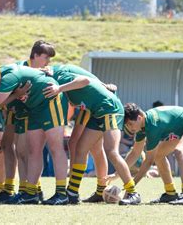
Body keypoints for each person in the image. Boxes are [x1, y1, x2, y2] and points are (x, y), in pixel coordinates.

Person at [0, 64, 69, 205]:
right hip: (32, 107)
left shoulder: (7, 78)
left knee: (55, 147)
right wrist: (15, 95)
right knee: (32, 151)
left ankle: (61, 193)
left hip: (48, 100)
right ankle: (30, 193)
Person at [42, 69, 141, 205]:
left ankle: (133, 193)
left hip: (109, 109)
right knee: (81, 149)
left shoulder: (61, 77)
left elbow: (85, 80)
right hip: (96, 113)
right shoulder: (59, 79)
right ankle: (72, 193)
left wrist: (58, 88)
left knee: (111, 151)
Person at [0, 40, 56, 204]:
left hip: (30, 112)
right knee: (8, 146)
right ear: (36, 55)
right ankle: (10, 189)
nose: (48, 63)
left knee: (25, 151)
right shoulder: (19, 67)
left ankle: (29, 189)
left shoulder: (46, 71)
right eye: (46, 58)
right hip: (12, 110)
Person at [118, 103, 183, 205]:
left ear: (139, 117)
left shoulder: (153, 125)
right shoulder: (142, 126)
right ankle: (170, 193)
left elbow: (148, 161)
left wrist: (131, 188)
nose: (129, 128)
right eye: (127, 125)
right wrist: (117, 173)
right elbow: (135, 152)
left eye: (130, 124)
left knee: (179, 151)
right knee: (158, 156)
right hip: (181, 130)